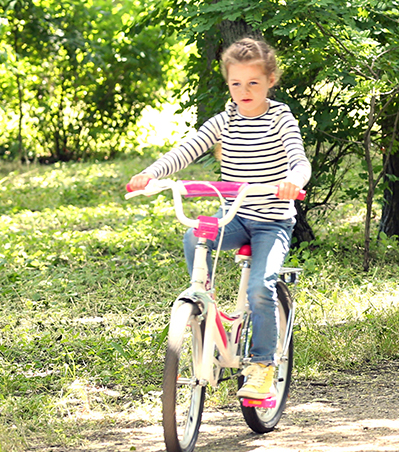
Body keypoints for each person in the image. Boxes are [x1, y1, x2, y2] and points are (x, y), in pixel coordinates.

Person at [127, 38, 311, 400]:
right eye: (236, 83)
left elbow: (298, 159)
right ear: (227, 83)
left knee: (261, 289)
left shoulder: (279, 117)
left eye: (253, 83)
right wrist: (151, 174)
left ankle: (261, 367)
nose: (244, 91)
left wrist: (294, 181)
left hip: (272, 221)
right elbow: (187, 149)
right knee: (195, 234)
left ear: (270, 80)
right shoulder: (224, 120)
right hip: (235, 215)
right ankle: (204, 306)